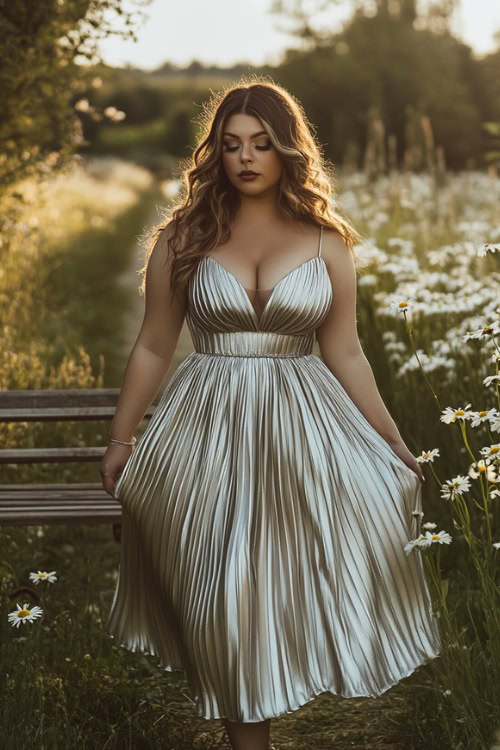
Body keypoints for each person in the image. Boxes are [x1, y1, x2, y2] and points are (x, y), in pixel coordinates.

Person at [101, 77, 440, 750]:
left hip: (301, 430)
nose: (246, 158)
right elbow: (152, 346)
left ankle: (295, 672)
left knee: (287, 575)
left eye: (261, 144)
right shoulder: (181, 237)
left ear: (289, 150)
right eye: (231, 146)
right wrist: (121, 436)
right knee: (222, 590)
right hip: (206, 426)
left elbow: (345, 353)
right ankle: (245, 736)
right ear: (216, 154)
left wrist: (392, 443)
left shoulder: (326, 242)